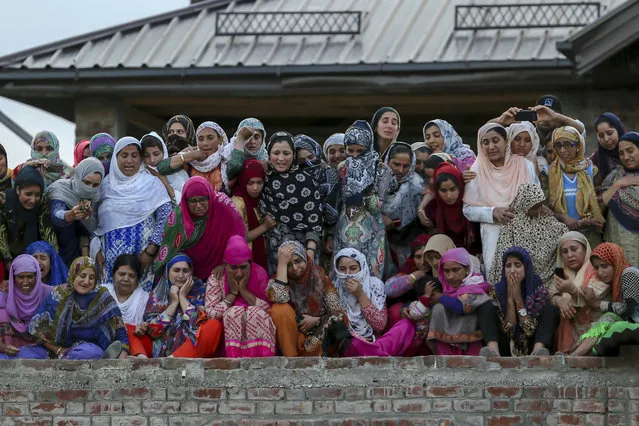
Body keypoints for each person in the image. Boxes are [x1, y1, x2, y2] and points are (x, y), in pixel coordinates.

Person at [93, 137, 172, 290]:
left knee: (141, 303)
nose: (129, 161)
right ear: (116, 158)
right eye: (124, 155)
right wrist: (95, 248)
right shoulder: (104, 185)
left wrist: (151, 251)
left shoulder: (152, 183)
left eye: (134, 155)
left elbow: (166, 216)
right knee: (112, 303)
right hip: (110, 262)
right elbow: (93, 220)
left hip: (144, 259)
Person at [463, 123, 539, 274]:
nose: (491, 146)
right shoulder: (476, 171)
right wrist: (492, 212)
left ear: (506, 142)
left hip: (524, 231)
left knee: (526, 277)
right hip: (493, 233)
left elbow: (536, 198)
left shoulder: (525, 165)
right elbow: (468, 209)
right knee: (497, 278)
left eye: (496, 140)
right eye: (486, 142)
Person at [29, 256, 128, 360]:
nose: (86, 282)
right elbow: (38, 332)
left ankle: (70, 359)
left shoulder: (103, 297)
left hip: (90, 349)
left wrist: (123, 351)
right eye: (82, 275)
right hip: (56, 349)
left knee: (89, 353)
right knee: (25, 354)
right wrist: (58, 350)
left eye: (91, 278)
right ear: (73, 275)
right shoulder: (59, 295)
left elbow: (119, 328)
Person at [334, 121, 396, 279]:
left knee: (369, 276)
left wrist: (362, 192)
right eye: (350, 150)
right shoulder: (342, 167)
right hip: (343, 230)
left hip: (371, 231)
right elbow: (337, 200)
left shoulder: (381, 169)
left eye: (360, 150)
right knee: (343, 274)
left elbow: (376, 205)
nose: (355, 155)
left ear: (368, 147)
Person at [155, 176, 246, 281]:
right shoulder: (179, 215)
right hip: (186, 272)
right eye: (193, 201)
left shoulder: (222, 204)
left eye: (203, 199)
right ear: (186, 201)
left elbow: (239, 235)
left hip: (220, 270)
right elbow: (170, 248)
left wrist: (225, 263)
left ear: (209, 196)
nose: (198, 205)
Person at [267, 241, 349, 357]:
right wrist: (282, 265)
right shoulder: (276, 282)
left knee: (339, 318)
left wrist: (316, 320)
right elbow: (280, 297)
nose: (294, 268)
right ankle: (291, 360)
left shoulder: (321, 280)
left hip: (318, 339)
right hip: (293, 340)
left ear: (305, 258)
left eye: (298, 261)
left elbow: (339, 313)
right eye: (288, 265)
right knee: (279, 309)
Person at [260, 132, 324, 273]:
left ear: (294, 155)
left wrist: (310, 254)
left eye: (286, 153)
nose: (281, 158)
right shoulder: (262, 180)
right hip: (274, 253)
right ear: (268, 154)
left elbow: (315, 223)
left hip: (303, 254)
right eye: (276, 153)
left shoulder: (307, 182)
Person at [333, 248, 415, 356]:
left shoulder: (375, 285)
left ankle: (375, 353)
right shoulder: (333, 289)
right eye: (342, 269)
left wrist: (360, 294)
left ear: (361, 268)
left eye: (353, 268)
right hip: (352, 344)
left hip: (376, 341)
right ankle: (378, 355)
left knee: (406, 325)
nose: (348, 274)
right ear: (336, 269)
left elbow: (379, 325)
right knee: (354, 344)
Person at [480, 247, 559, 357]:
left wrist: (518, 299)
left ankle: (538, 352)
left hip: (531, 342)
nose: (512, 270)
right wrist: (510, 299)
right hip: (506, 345)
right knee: (486, 306)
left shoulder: (537, 288)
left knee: (551, 310)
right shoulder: (497, 290)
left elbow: (529, 330)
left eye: (517, 265)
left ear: (526, 267)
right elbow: (509, 331)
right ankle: (493, 352)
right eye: (508, 266)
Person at [205, 235, 276, 358]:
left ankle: (261, 358)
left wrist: (243, 290)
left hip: (257, 323)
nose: (238, 273)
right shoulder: (217, 278)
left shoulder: (259, 273)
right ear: (225, 265)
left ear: (250, 263)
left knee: (255, 312)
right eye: (233, 267)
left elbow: (268, 309)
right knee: (234, 312)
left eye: (243, 267)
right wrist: (232, 295)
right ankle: (233, 358)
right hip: (226, 330)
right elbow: (211, 313)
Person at [488, 183, 568, 286]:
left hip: (547, 281)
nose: (539, 211)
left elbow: (561, 232)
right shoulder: (510, 223)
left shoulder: (545, 217)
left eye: (541, 206)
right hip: (518, 281)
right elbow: (503, 256)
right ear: (524, 204)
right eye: (534, 208)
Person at [567, 243, 639, 356]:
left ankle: (576, 355)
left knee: (609, 319)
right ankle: (575, 354)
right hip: (632, 325)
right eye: (596, 267)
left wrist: (598, 303)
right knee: (606, 321)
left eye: (604, 266)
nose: (600, 272)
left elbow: (628, 309)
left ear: (615, 263)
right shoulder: (615, 283)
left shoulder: (629, 273)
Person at [144, 254, 222, 358]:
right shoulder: (158, 295)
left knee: (214, 325)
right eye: (176, 270)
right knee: (130, 330)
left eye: (185, 271)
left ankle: (174, 358)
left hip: (192, 351)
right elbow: (152, 331)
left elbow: (199, 327)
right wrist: (174, 303)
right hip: (161, 351)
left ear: (191, 273)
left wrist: (182, 297)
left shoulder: (201, 290)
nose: (181, 276)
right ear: (168, 272)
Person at [550, 231, 609, 353]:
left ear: (585, 249)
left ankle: (575, 355)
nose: (569, 255)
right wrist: (559, 300)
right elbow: (550, 292)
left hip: (594, 325)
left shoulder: (598, 268)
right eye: (564, 252)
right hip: (572, 330)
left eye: (574, 249)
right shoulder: (563, 273)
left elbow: (596, 294)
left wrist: (572, 290)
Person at [425, 248, 492, 355]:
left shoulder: (474, 286)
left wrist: (440, 298)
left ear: (467, 269)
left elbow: (461, 306)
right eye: (446, 271)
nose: (451, 276)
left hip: (470, 343)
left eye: (456, 270)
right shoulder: (444, 288)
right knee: (438, 309)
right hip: (446, 346)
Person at [546, 126, 604, 247]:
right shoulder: (549, 173)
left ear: (578, 146)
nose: (562, 150)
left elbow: (599, 201)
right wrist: (563, 217)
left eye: (568, 144)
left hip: (590, 234)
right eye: (558, 145)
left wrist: (586, 221)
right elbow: (546, 206)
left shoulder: (591, 170)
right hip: (561, 235)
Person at [46, 157, 104, 266]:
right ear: (78, 176)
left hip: (80, 255)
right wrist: (70, 215)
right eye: (86, 182)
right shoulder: (62, 189)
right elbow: (56, 213)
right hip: (55, 251)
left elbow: (94, 228)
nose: (89, 188)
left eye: (95, 185)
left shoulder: (96, 197)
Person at [0, 166, 58, 265]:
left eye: (37, 195)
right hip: (6, 257)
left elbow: (48, 234)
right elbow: (1, 238)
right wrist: (10, 265)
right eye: (28, 194)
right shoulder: (4, 201)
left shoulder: (42, 202)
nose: (33, 200)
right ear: (18, 189)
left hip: (35, 257)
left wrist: (53, 261)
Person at [382, 142, 425, 270]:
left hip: (407, 242)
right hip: (379, 241)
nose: (400, 170)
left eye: (406, 166)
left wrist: (393, 223)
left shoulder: (417, 186)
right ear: (387, 160)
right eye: (396, 164)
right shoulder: (376, 181)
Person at [0, 255, 53, 359]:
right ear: (13, 277)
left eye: (30, 277)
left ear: (37, 276)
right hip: (6, 351)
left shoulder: (50, 295)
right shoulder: (3, 298)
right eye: (20, 277)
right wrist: (3, 348)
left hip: (38, 349)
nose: (25, 282)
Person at [156, 121, 232, 193]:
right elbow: (161, 167)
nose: (205, 143)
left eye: (210, 138)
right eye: (200, 139)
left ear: (220, 139)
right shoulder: (191, 161)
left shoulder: (226, 158)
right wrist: (192, 155)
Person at [422, 162, 479, 254]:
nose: (449, 196)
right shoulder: (431, 209)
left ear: (460, 186)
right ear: (437, 190)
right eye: (443, 190)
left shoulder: (472, 205)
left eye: (453, 189)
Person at [601, 132, 639, 267]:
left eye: (630, 151)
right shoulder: (614, 177)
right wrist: (618, 185)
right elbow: (597, 207)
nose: (626, 157)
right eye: (621, 153)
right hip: (616, 244)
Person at [104, 254, 151, 358]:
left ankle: (139, 358)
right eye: (121, 274)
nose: (126, 279)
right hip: (107, 341)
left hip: (136, 344)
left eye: (132, 276)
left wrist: (142, 327)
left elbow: (148, 324)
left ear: (138, 279)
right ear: (113, 275)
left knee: (128, 329)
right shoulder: (103, 292)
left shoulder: (145, 298)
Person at [231, 160, 273, 270]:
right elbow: (241, 237)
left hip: (266, 255)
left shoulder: (264, 198)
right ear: (243, 181)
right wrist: (265, 227)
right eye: (250, 183)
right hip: (245, 260)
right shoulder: (238, 202)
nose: (255, 188)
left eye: (259, 183)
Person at [295, 134, 340, 227]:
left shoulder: (331, 174)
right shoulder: (293, 180)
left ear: (317, 153)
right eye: (301, 161)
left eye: (311, 157)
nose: (309, 163)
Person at [141, 131, 189, 202]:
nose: (152, 160)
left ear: (164, 152)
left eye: (156, 154)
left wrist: (163, 180)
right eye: (146, 156)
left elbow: (184, 203)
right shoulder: (139, 176)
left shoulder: (179, 173)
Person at [591, 113, 625, 183]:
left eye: (609, 133)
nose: (606, 139)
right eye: (601, 136)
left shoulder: (634, 149)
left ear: (618, 130)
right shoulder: (596, 158)